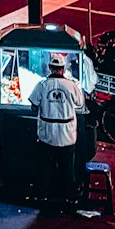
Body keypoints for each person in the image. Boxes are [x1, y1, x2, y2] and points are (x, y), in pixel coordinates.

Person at [27, 52, 86, 210]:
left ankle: (43, 196)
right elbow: (80, 104)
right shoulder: (72, 85)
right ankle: (69, 197)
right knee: (67, 168)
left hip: (47, 134)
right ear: (62, 69)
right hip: (67, 134)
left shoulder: (42, 85)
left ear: (50, 68)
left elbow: (34, 105)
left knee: (45, 167)